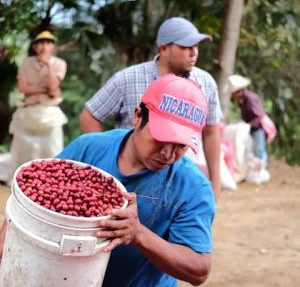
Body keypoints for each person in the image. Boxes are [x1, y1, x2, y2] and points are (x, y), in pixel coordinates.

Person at [0, 74, 215, 286]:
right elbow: (27, 204)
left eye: (181, 146)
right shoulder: (88, 148)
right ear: (138, 116)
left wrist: (137, 233)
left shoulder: (194, 188)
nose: (168, 154)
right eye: (161, 138)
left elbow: (199, 269)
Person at [79, 16, 223, 199]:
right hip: (128, 181)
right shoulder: (128, 79)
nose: (193, 52)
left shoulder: (205, 83)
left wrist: (215, 185)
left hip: (176, 184)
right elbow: (89, 115)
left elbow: (211, 132)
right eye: (186, 47)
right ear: (163, 48)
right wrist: (104, 161)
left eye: (196, 47)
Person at [8, 30, 68, 179]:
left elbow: (53, 86)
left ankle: (50, 180)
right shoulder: (26, 62)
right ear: (35, 46)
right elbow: (23, 88)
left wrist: (48, 65)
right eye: (40, 42)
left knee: (52, 150)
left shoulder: (59, 63)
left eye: (48, 43)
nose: (44, 46)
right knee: (21, 151)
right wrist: (45, 90)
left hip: (49, 113)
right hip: (28, 112)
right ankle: (18, 178)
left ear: (53, 47)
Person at [228, 74, 269, 166]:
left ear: (238, 91)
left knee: (259, 149)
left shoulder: (251, 99)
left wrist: (249, 125)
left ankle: (262, 169)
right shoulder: (242, 100)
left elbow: (259, 116)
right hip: (250, 127)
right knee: (252, 149)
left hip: (257, 127)